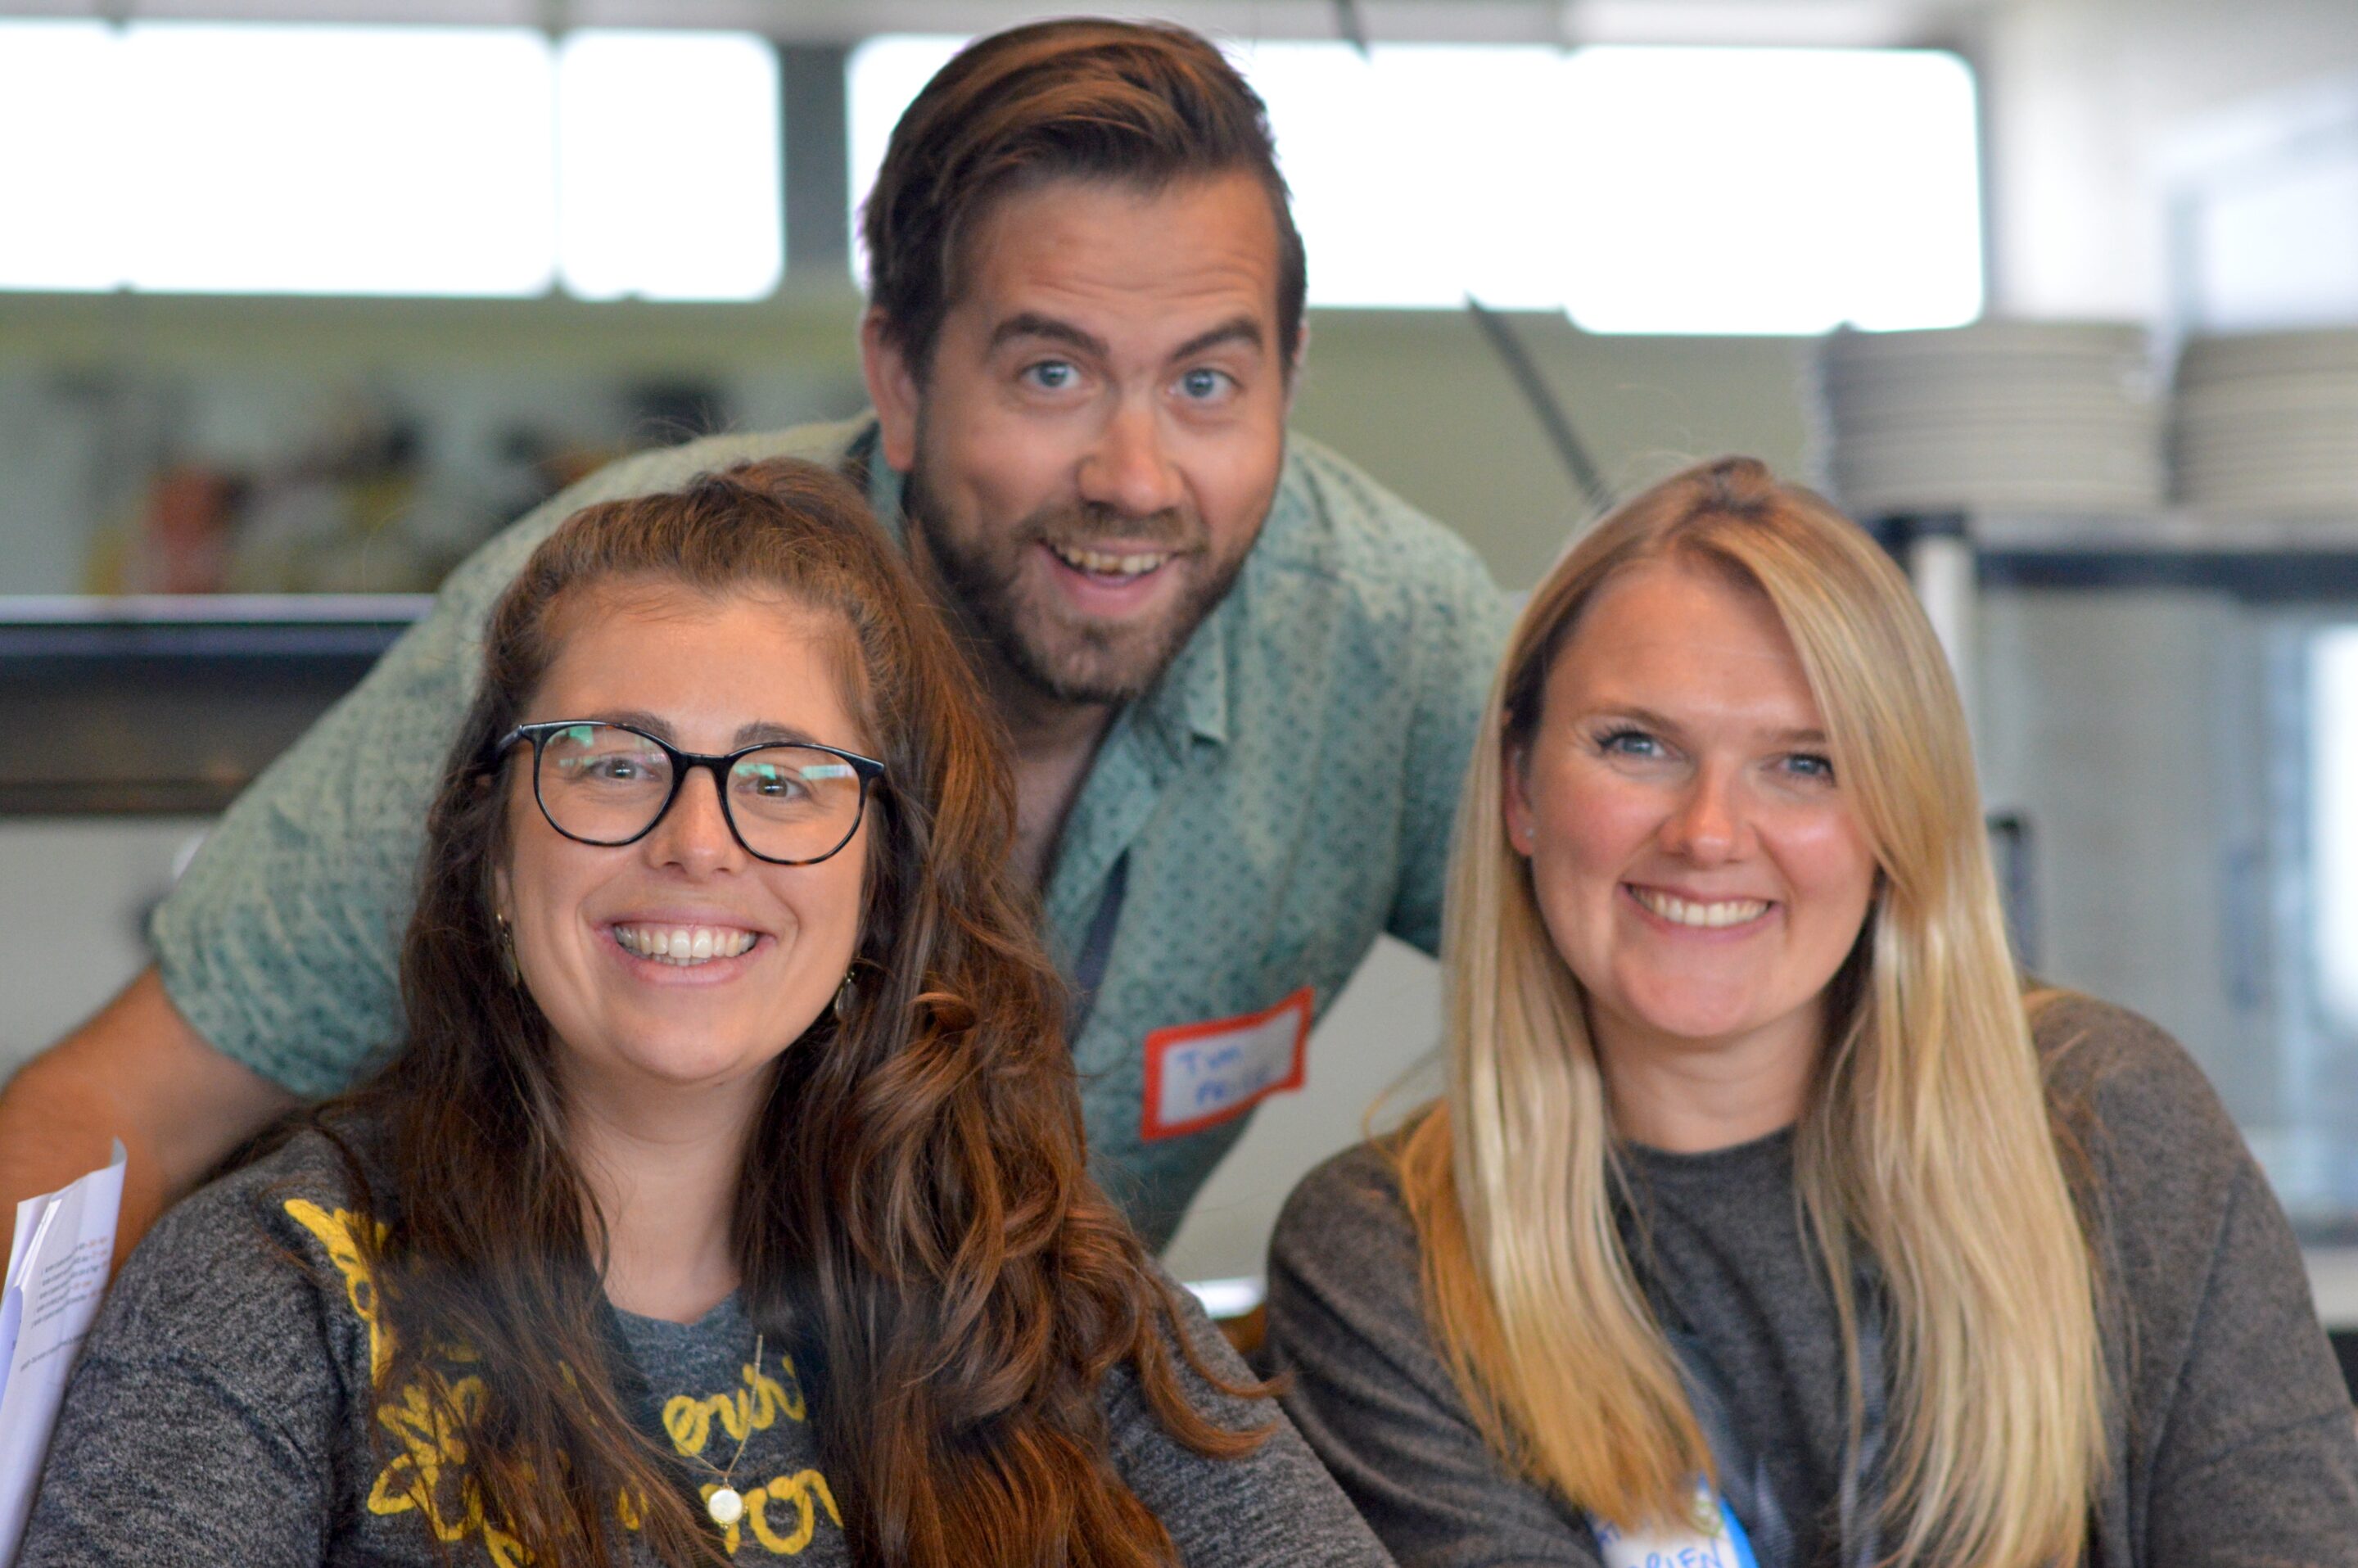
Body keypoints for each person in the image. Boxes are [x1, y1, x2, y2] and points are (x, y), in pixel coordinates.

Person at [0, 17, 1506, 1262]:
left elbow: (1691, 941)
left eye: (1205, 386)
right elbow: (128, 1106)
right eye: (1051, 374)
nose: (1132, 476)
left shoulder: (1382, 640)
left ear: (1290, 377)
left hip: (1019, 1459)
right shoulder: (605, 636)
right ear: (899, 377)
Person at [20, 461, 1394, 1568]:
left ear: (884, 877)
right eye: (613, 764)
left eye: (786, 780)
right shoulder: (275, 1290)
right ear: (494, 851)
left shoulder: (1032, 1280)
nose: (697, 841)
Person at [1263, 456, 2358, 1566]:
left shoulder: (2106, 1121)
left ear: (1897, 823)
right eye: (1636, 745)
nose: (1708, 834)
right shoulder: (1390, 1258)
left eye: (1803, 764)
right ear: (1519, 788)